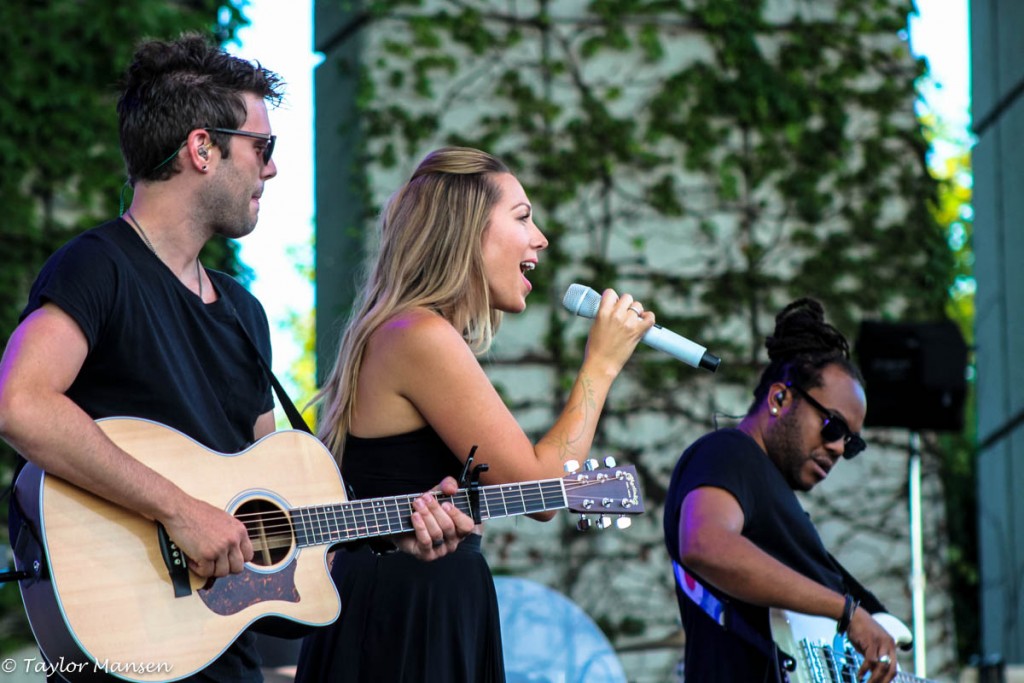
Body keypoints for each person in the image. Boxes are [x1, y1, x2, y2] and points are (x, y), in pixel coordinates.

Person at [0, 34, 471, 682]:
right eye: (262, 147)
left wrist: (387, 535)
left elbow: (275, 518)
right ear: (202, 147)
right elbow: (20, 403)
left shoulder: (243, 312)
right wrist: (178, 509)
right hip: (126, 642)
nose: (271, 169)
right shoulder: (97, 267)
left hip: (226, 655)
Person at [294, 146, 655, 682]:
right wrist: (600, 365)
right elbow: (542, 489)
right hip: (405, 624)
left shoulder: (409, 333)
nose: (541, 239)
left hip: (418, 608)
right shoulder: (418, 335)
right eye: (522, 217)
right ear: (467, 231)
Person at [663, 298, 899, 683]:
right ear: (779, 398)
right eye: (833, 427)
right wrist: (845, 612)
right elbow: (704, 544)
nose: (839, 448)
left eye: (850, 444)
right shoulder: (727, 452)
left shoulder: (774, 502)